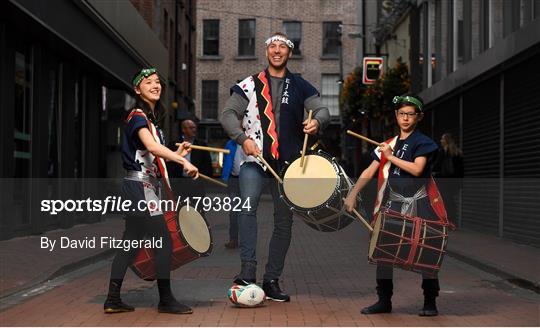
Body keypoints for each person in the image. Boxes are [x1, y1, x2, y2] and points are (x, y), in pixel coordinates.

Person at [220, 32, 330, 302]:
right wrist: (242, 139)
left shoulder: (300, 85)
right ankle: (247, 271)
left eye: (283, 46)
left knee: (284, 222)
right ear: (267, 51)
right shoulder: (249, 84)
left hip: (288, 166)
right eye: (273, 46)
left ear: (289, 53)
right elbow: (228, 115)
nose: (277, 50)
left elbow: (323, 111)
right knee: (247, 209)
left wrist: (316, 123)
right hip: (255, 161)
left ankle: (272, 279)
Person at [103, 68, 199, 315]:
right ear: (137, 89)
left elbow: (150, 154)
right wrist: (183, 162)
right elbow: (151, 147)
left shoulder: (150, 119)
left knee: (131, 243)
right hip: (141, 187)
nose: (156, 86)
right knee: (164, 241)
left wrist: (178, 155)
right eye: (148, 82)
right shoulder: (137, 116)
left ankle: (113, 299)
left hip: (141, 186)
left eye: (157, 82)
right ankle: (165, 300)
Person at [345, 93, 448, 317]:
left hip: (419, 202)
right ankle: (384, 300)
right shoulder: (389, 143)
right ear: (396, 115)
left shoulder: (423, 143)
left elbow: (417, 169)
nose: (405, 118)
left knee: (426, 252)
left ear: (418, 117)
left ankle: (430, 301)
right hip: (393, 203)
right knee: (384, 251)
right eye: (402, 114)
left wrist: (390, 157)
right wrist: (352, 194)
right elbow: (368, 171)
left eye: (410, 114)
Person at [167, 119, 213, 199]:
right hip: (179, 184)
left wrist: (202, 181)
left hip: (196, 184)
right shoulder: (174, 145)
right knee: (180, 209)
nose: (194, 130)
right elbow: (168, 165)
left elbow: (208, 165)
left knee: (197, 209)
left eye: (195, 128)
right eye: (191, 128)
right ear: (183, 129)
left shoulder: (201, 145)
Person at [432, 133, 463, 221]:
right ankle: (452, 220)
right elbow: (460, 170)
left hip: (443, 181)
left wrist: (435, 173)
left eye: (442, 139)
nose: (441, 141)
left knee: (444, 200)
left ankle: (446, 220)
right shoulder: (457, 152)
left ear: (446, 141)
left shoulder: (442, 152)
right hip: (453, 182)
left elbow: (437, 166)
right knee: (450, 200)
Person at [221, 139, 242, 249]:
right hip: (233, 180)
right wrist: (225, 177)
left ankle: (246, 240)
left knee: (247, 211)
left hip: (247, 181)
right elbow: (226, 160)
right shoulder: (230, 143)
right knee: (234, 211)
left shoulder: (251, 141)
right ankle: (233, 239)